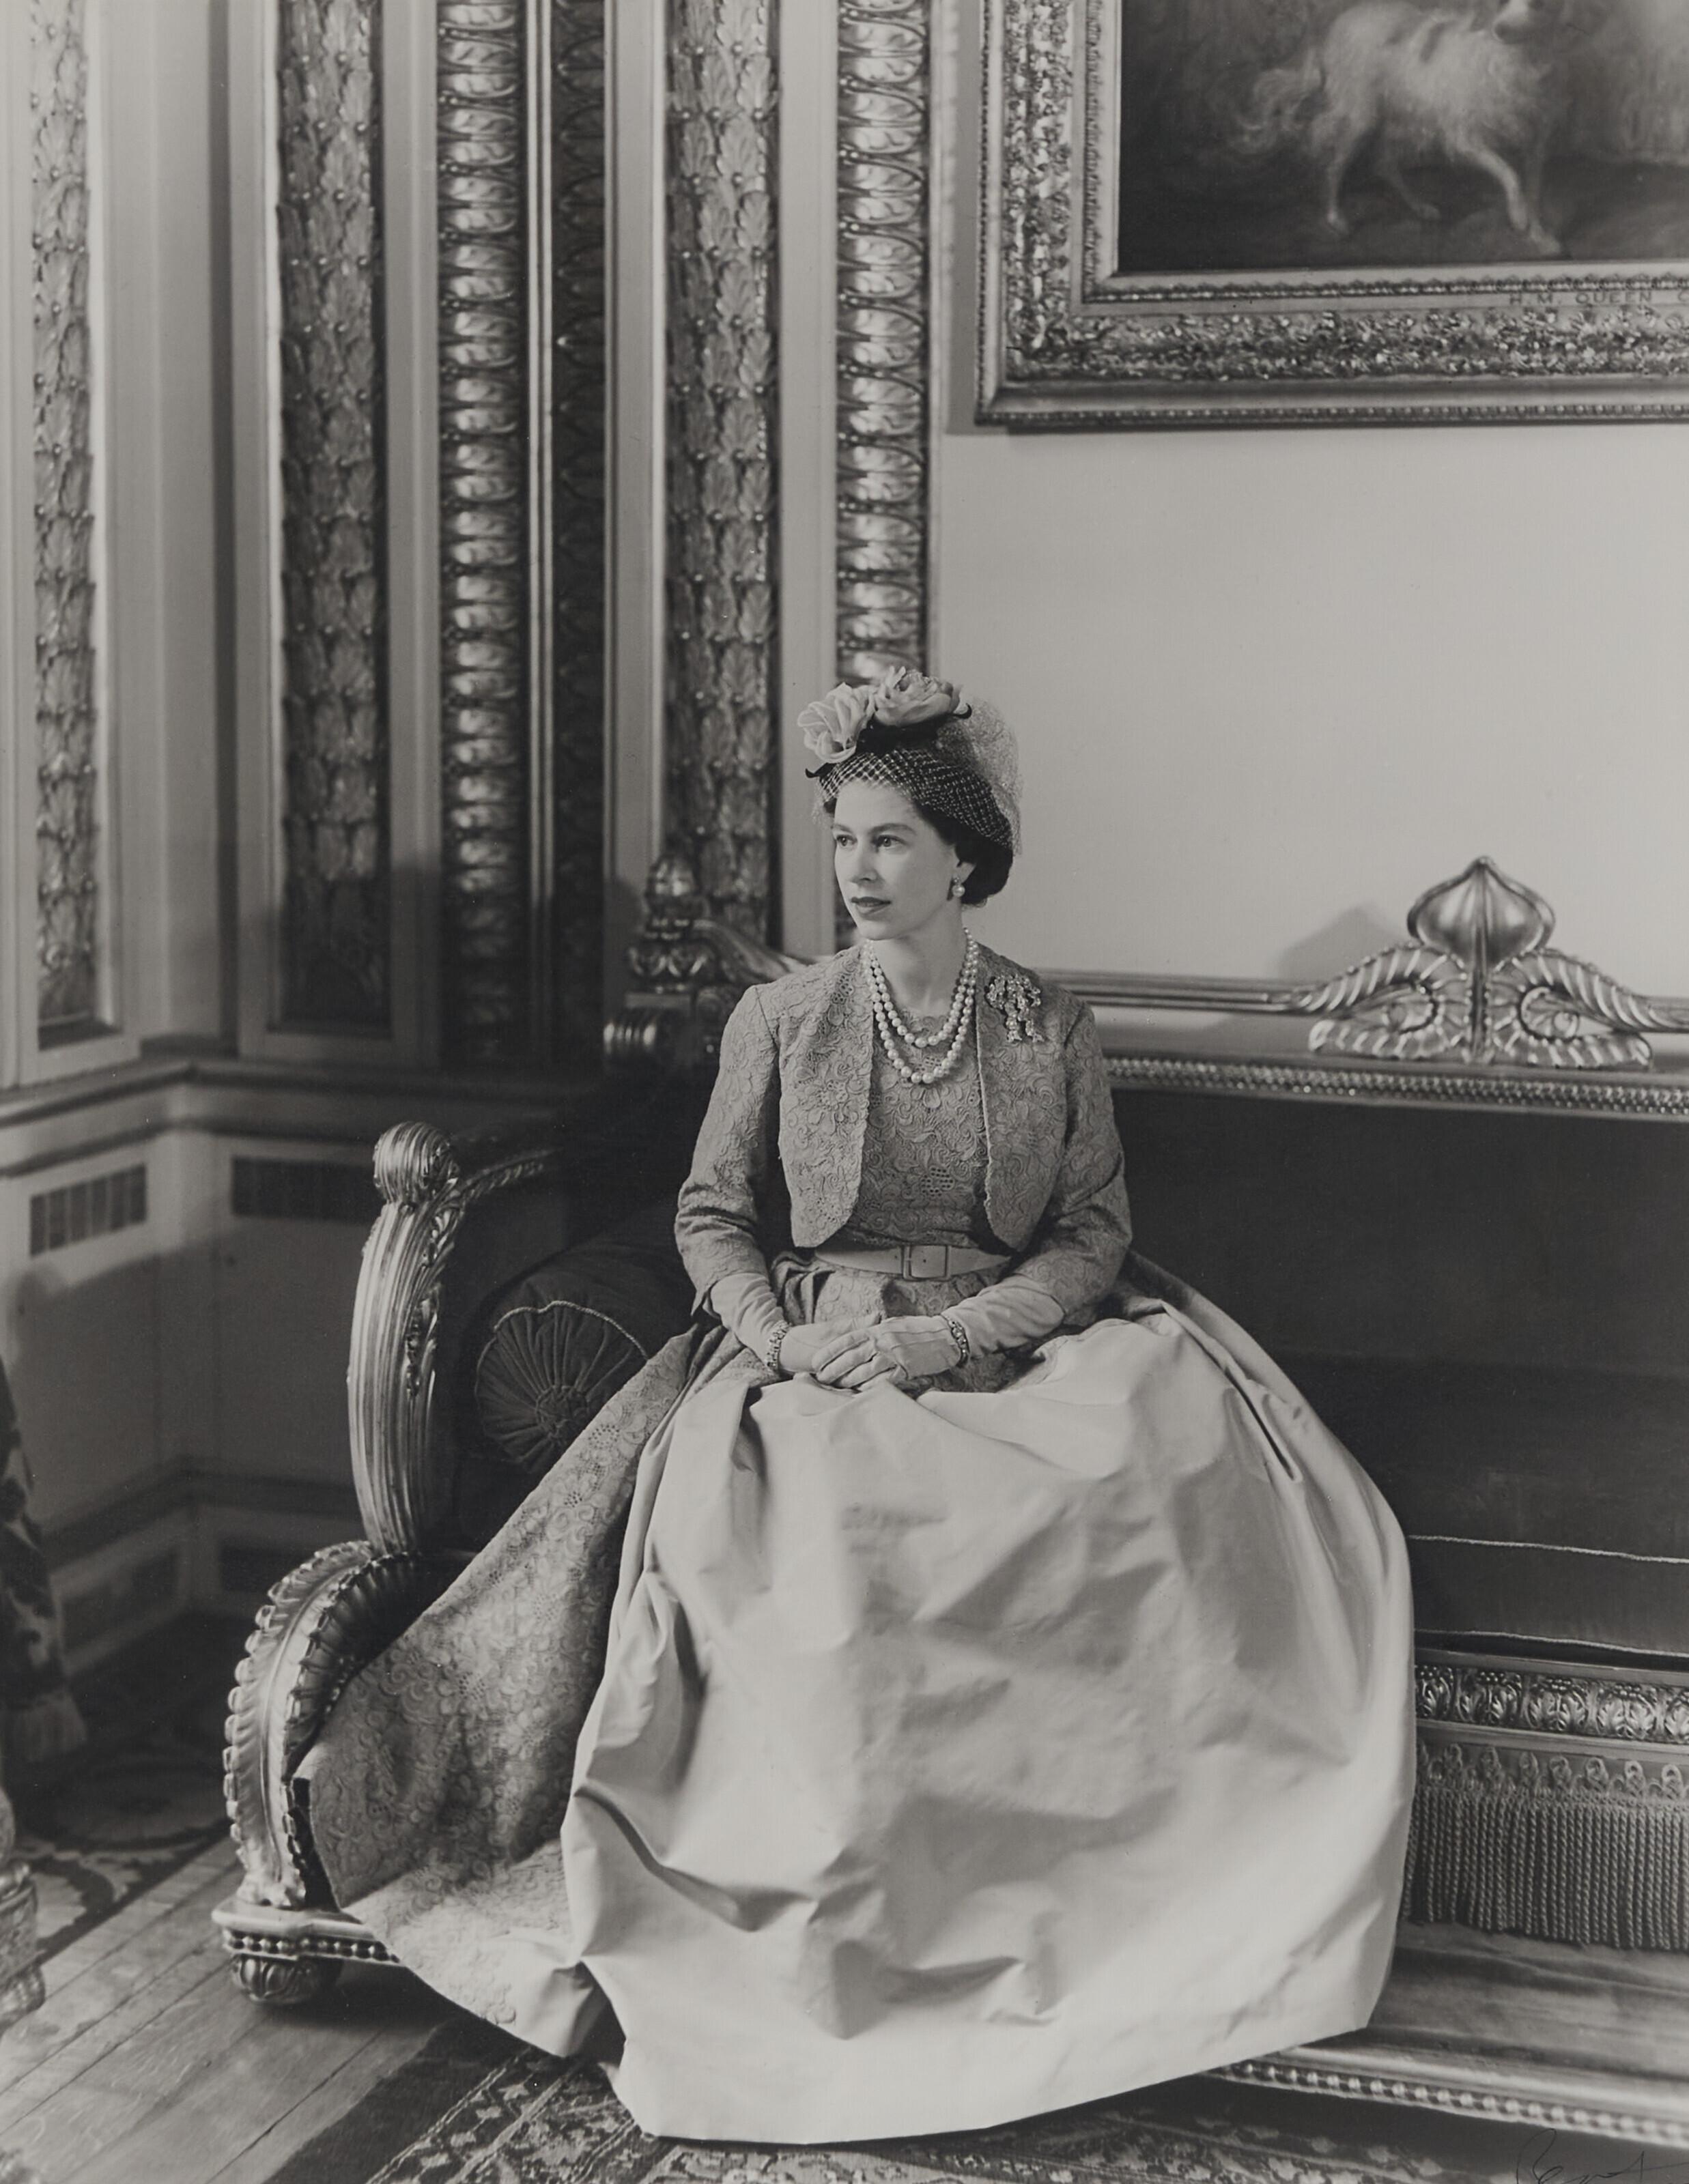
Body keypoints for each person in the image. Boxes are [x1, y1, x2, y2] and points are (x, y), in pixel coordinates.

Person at [304, 668, 1414, 2146]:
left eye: (891, 842)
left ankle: (1095, 1920)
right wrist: (776, 1332)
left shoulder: (1042, 1026)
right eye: (843, 841)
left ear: (964, 856)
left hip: (1011, 1339)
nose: (860, 872)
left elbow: (1087, 1235)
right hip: (814, 1349)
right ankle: (833, 1935)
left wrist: (956, 1330)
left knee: (1150, 1463)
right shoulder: (780, 1020)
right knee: (813, 1532)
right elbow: (710, 1215)